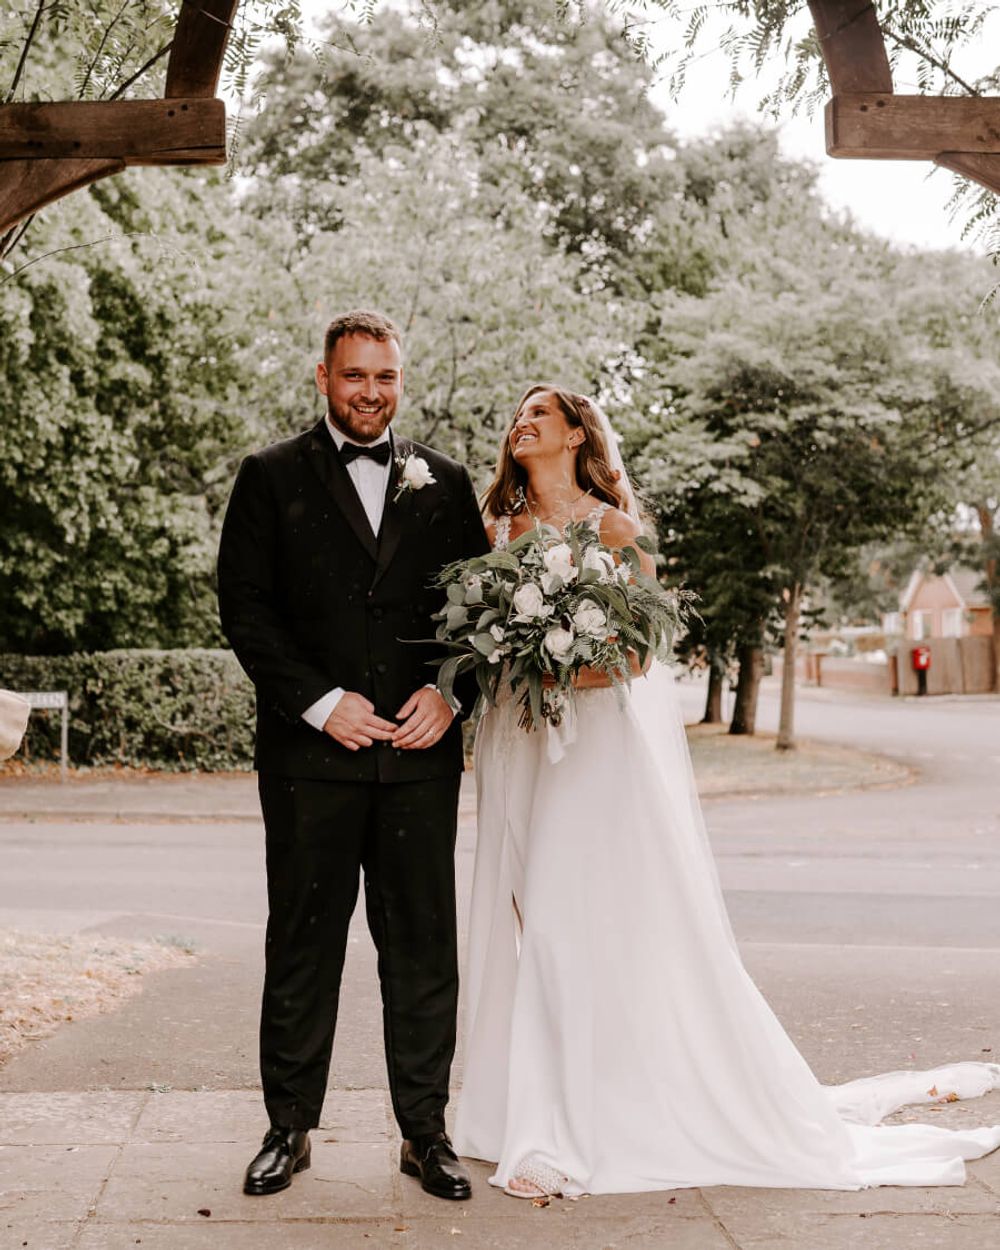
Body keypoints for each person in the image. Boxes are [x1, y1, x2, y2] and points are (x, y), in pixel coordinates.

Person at [453, 383, 1000, 1198]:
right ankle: (535, 1099)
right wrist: (517, 660)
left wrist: (559, 664)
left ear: (576, 435)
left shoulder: (615, 529)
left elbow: (638, 657)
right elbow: (478, 640)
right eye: (517, 415)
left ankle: (565, 1125)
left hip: (598, 749)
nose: (520, 423)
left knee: (578, 915)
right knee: (525, 912)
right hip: (520, 745)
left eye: (539, 414)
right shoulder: (495, 530)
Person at [218, 310, 489, 1202]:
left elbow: (478, 618)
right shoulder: (267, 476)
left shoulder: (445, 484)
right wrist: (321, 705)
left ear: (399, 381)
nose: (370, 392)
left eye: (384, 377)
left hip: (416, 761)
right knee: (303, 943)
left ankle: (425, 1134)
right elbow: (245, 610)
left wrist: (448, 694)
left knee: (422, 948)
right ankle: (287, 1128)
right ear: (325, 379)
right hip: (308, 762)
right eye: (354, 376)